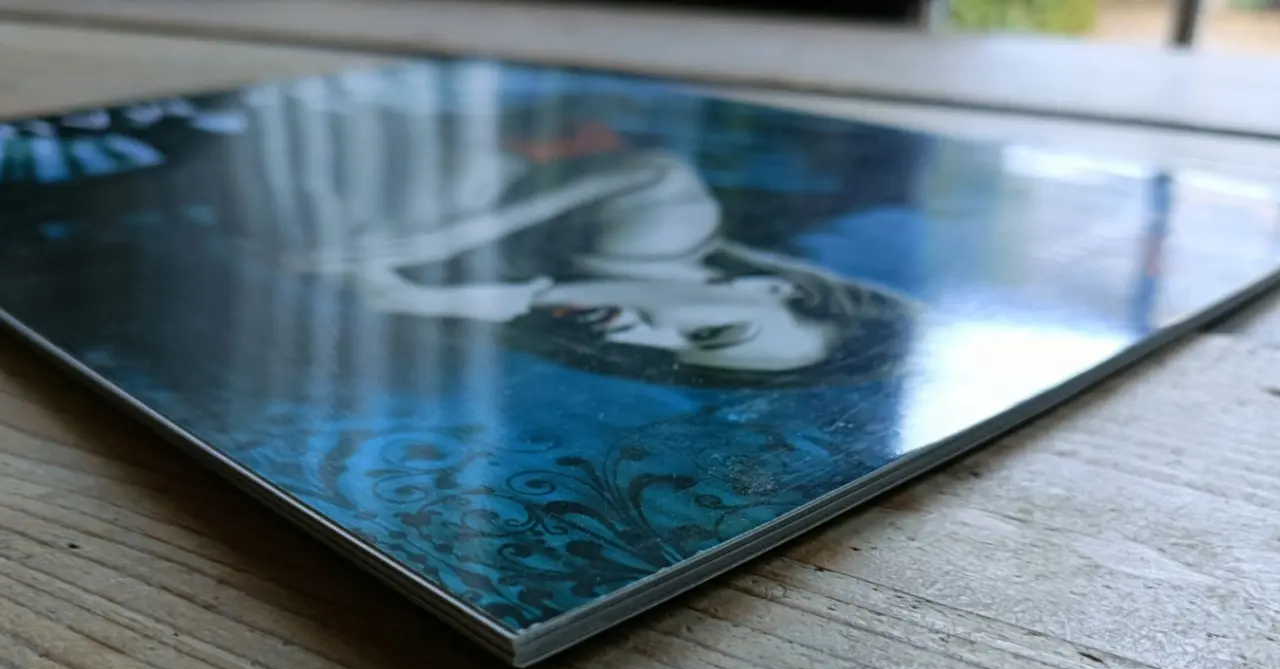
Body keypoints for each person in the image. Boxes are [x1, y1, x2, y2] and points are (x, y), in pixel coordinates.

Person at [295, 120, 917, 390]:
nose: (641, 337)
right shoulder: (669, 220)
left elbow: (385, 292)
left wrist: (406, 289)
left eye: (671, 354)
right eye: (707, 331)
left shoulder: (546, 301)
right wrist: (445, 240)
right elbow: (655, 169)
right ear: (768, 288)